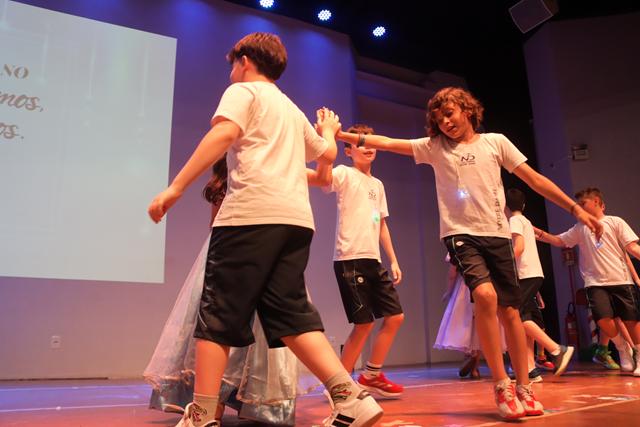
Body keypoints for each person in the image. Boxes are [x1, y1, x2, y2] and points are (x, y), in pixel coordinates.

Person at [148, 32, 383, 427]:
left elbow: (223, 134)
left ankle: (201, 416)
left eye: (232, 64)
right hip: (295, 224)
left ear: (244, 60)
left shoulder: (244, 92)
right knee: (291, 316)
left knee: (218, 315)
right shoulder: (290, 108)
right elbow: (326, 154)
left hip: (250, 218)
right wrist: (328, 130)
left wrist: (176, 187)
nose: (231, 72)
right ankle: (351, 399)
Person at [333, 87, 603, 419]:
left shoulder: (496, 143)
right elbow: (387, 142)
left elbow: (534, 179)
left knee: (511, 312)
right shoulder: (434, 148)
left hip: (497, 235)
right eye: (438, 119)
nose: (445, 122)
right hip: (461, 236)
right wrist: (342, 135)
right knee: (485, 297)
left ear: (468, 110)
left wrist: (576, 210)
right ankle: (502, 385)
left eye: (450, 114)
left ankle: (524, 386)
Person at [144, 157, 316, 425]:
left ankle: (227, 404)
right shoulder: (225, 183)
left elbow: (319, 177)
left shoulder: (267, 171)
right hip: (228, 252)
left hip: (258, 249)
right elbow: (214, 224)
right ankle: (212, 402)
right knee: (218, 326)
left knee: (254, 329)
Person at [308, 123, 405, 398]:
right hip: (350, 258)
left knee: (395, 317)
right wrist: (325, 140)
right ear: (349, 151)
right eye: (360, 144)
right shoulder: (344, 173)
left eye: (371, 142)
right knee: (364, 324)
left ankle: (371, 375)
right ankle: (339, 387)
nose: (368, 147)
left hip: (373, 259)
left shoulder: (378, 185)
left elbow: (381, 223)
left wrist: (393, 260)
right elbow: (324, 180)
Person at [535, 187, 640, 377]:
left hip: (621, 279)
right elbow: (560, 241)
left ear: (597, 202)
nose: (579, 208)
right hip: (594, 282)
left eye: (583, 203)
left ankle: (639, 355)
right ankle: (622, 348)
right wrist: (540, 233)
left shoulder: (615, 222)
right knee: (603, 320)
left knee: (631, 320)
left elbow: (632, 248)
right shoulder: (579, 228)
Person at [505, 188, 574, 383]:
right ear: (523, 204)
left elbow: (519, 248)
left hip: (524, 275)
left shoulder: (514, 221)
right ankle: (530, 369)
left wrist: (501, 263)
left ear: (504, 206)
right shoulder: (526, 221)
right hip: (532, 275)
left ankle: (556, 349)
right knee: (525, 318)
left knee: (516, 316)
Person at [434, 254, 483, 379]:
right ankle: (475, 368)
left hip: (464, 287)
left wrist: (449, 291)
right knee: (479, 326)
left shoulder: (457, 247)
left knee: (465, 324)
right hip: (482, 285)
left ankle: (469, 357)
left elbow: (452, 273)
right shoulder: (483, 245)